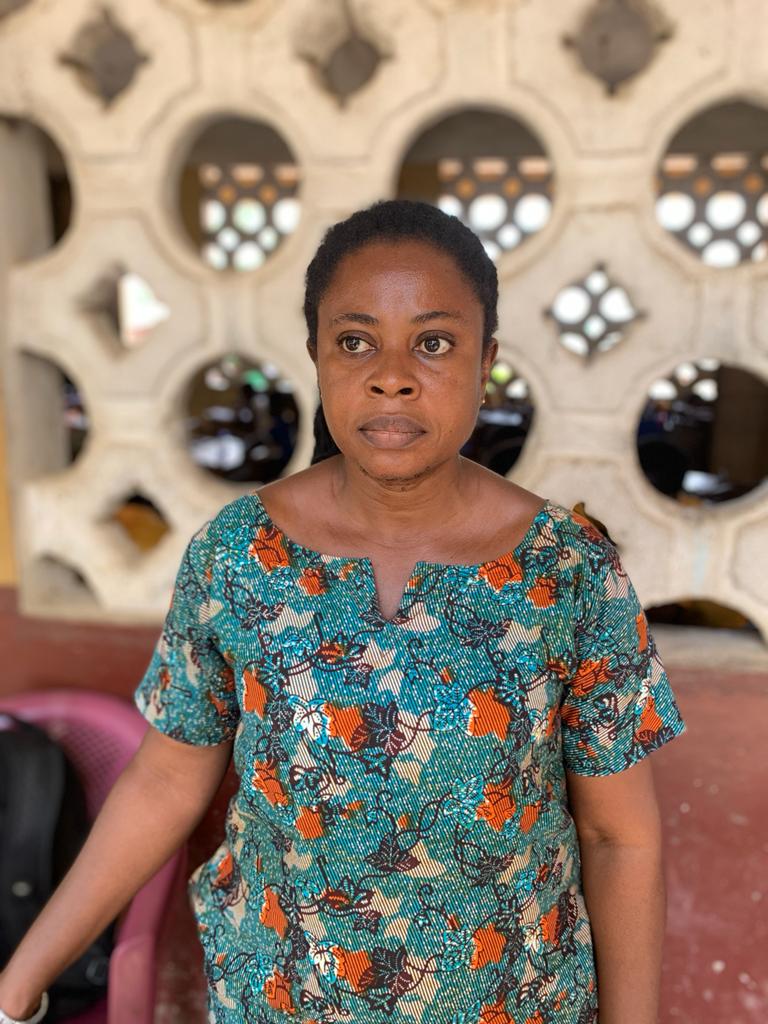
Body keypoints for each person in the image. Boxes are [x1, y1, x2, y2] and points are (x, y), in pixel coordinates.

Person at [0, 199, 687, 1024]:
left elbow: (622, 838)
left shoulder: (568, 570)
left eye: (433, 343)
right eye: (355, 341)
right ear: (317, 359)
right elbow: (164, 780)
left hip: (517, 1003)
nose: (390, 374)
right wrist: (23, 973)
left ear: (486, 360)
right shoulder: (238, 555)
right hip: (279, 1000)